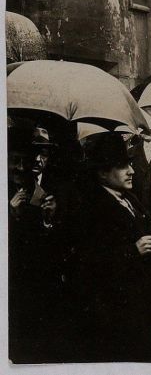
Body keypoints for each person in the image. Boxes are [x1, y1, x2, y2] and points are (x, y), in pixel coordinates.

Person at [75, 133, 151, 361]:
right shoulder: (91, 208)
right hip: (116, 309)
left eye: (130, 165)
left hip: (141, 301)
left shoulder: (128, 197)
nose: (131, 171)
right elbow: (87, 261)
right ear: (102, 172)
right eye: (122, 166)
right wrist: (133, 251)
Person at [8, 127, 64, 362]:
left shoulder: (39, 193)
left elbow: (50, 248)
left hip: (34, 285)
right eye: (14, 161)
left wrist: (49, 220)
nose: (21, 168)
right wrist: (10, 213)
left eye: (26, 161)